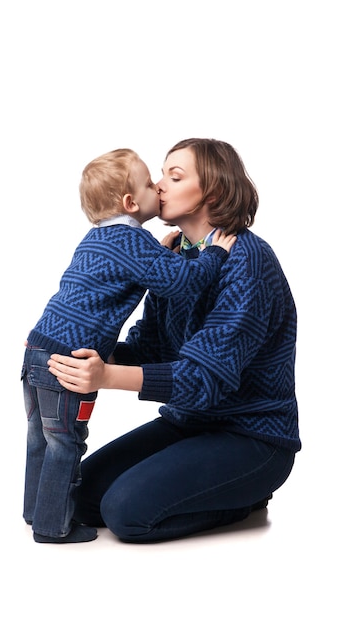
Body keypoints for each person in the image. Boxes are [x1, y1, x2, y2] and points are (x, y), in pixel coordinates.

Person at [48, 138, 301, 544]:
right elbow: (150, 349)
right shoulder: (177, 260)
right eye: (161, 175)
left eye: (174, 175)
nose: (160, 184)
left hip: (252, 436)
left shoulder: (248, 262)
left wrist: (107, 376)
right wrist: (81, 352)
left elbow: (204, 380)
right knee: (75, 497)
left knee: (125, 513)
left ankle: (244, 499)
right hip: (188, 422)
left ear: (214, 191)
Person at [22, 148, 237, 543]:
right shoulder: (132, 242)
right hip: (70, 358)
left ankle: (35, 511)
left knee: (40, 436)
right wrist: (214, 255)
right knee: (65, 441)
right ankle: (52, 528)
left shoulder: (98, 236)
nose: (158, 185)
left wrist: (162, 252)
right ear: (130, 202)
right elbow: (182, 281)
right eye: (151, 181)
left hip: (38, 346)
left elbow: (127, 275)